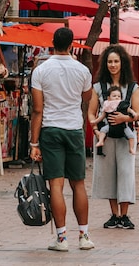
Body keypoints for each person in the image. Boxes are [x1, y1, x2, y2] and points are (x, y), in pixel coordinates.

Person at [29, 27, 95, 252]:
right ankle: (84, 236)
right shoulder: (82, 70)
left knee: (55, 185)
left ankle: (62, 238)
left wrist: (34, 143)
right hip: (74, 129)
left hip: (51, 130)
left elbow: (37, 110)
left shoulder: (41, 70)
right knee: (78, 184)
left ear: (52, 43)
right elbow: (87, 96)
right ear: (71, 45)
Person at [89, 44, 139, 231]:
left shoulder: (133, 87)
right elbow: (91, 112)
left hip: (125, 136)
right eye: (110, 61)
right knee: (108, 175)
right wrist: (96, 129)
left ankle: (125, 214)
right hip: (105, 136)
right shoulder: (98, 87)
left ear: (123, 63)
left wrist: (125, 118)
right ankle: (115, 215)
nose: (113, 65)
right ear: (105, 64)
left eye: (116, 61)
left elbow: (137, 113)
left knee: (126, 174)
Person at [92, 85, 138, 155]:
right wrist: (95, 121)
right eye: (114, 96)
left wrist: (133, 114)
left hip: (123, 126)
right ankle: (101, 141)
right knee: (103, 130)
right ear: (108, 98)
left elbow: (129, 110)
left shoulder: (122, 104)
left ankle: (131, 148)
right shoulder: (107, 106)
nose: (116, 97)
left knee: (131, 136)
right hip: (110, 125)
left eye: (118, 96)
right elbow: (102, 116)